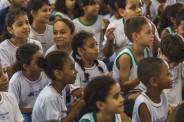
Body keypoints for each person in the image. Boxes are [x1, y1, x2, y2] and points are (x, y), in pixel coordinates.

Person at [113, 16, 154, 117]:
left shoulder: (147, 50)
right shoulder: (126, 57)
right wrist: (141, 77)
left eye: (152, 32)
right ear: (135, 36)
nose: (152, 35)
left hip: (141, 91)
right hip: (125, 96)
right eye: (148, 32)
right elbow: (122, 87)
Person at [32, 51, 84, 122]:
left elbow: (61, 116)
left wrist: (71, 109)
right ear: (58, 74)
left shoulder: (61, 89)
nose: (76, 71)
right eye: (72, 68)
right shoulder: (50, 97)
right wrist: (77, 108)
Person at [8, 43, 51, 122]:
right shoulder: (15, 81)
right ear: (26, 66)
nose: (43, 62)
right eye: (39, 61)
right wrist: (34, 110)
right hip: (25, 113)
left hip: (44, 109)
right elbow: (14, 108)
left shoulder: (47, 74)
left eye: (43, 58)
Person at [0, 8, 42, 77]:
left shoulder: (36, 44)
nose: (26, 26)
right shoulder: (3, 47)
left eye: (27, 22)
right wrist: (26, 55)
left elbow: (40, 67)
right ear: (10, 30)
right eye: (20, 24)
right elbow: (7, 73)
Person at [132, 57, 176, 122]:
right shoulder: (143, 104)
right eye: (167, 74)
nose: (171, 75)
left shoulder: (163, 93)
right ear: (154, 81)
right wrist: (172, 116)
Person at [70, 31, 110, 98]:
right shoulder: (75, 68)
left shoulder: (101, 64)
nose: (96, 49)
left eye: (96, 44)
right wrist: (99, 84)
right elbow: (75, 93)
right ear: (80, 51)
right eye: (92, 46)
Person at [157, 34, 184, 108]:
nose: (172, 66)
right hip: (162, 108)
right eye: (168, 61)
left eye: (177, 63)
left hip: (178, 107)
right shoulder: (152, 68)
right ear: (159, 51)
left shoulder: (181, 62)